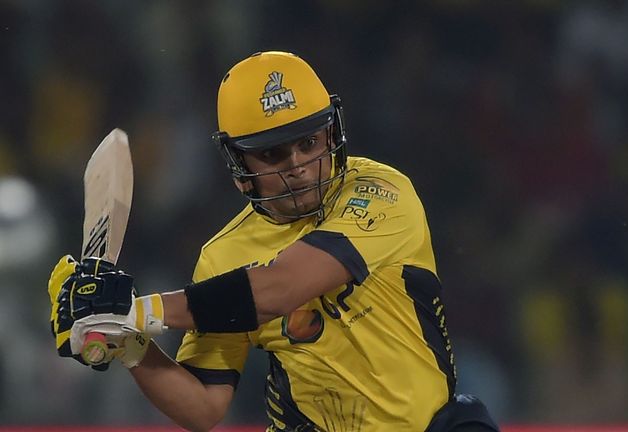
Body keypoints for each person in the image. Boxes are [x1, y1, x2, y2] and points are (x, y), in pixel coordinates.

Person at [48, 51, 499, 432]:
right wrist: (127, 343)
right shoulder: (221, 256)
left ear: (332, 133)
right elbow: (204, 407)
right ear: (237, 161)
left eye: (308, 142)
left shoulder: (381, 190)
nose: (298, 164)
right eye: (272, 153)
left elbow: (278, 289)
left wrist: (135, 310)